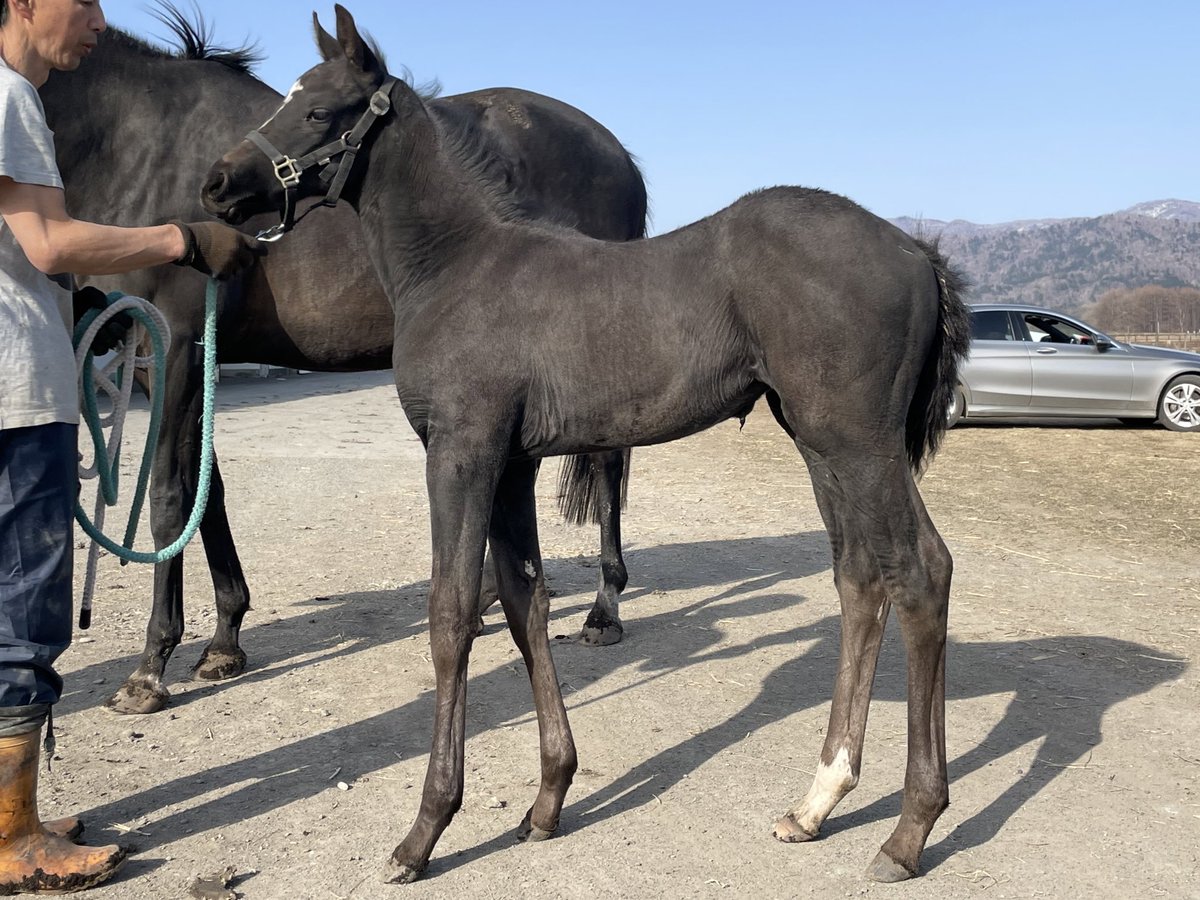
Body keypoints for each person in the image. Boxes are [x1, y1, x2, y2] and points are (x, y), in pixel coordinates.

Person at [0, 0, 260, 892]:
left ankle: (13, 815)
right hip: (14, 402)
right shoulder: (8, 100)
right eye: (86, 1)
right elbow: (46, 243)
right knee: (22, 620)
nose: (101, 20)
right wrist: (182, 238)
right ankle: (11, 841)